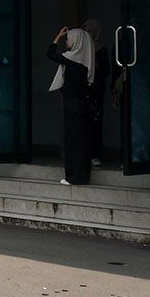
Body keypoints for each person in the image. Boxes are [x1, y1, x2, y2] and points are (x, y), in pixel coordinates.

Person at [48, 26, 95, 186]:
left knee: (73, 140)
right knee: (81, 140)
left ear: (76, 40)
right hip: (82, 104)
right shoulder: (85, 60)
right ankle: (81, 176)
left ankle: (74, 177)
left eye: (68, 38)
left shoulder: (72, 60)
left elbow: (50, 54)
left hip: (72, 104)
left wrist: (58, 37)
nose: (67, 41)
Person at [83, 19, 111, 168]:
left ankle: (95, 154)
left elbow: (106, 71)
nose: (86, 34)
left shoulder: (101, 50)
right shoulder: (81, 49)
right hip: (83, 90)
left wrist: (96, 67)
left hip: (96, 91)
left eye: (89, 31)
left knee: (95, 121)